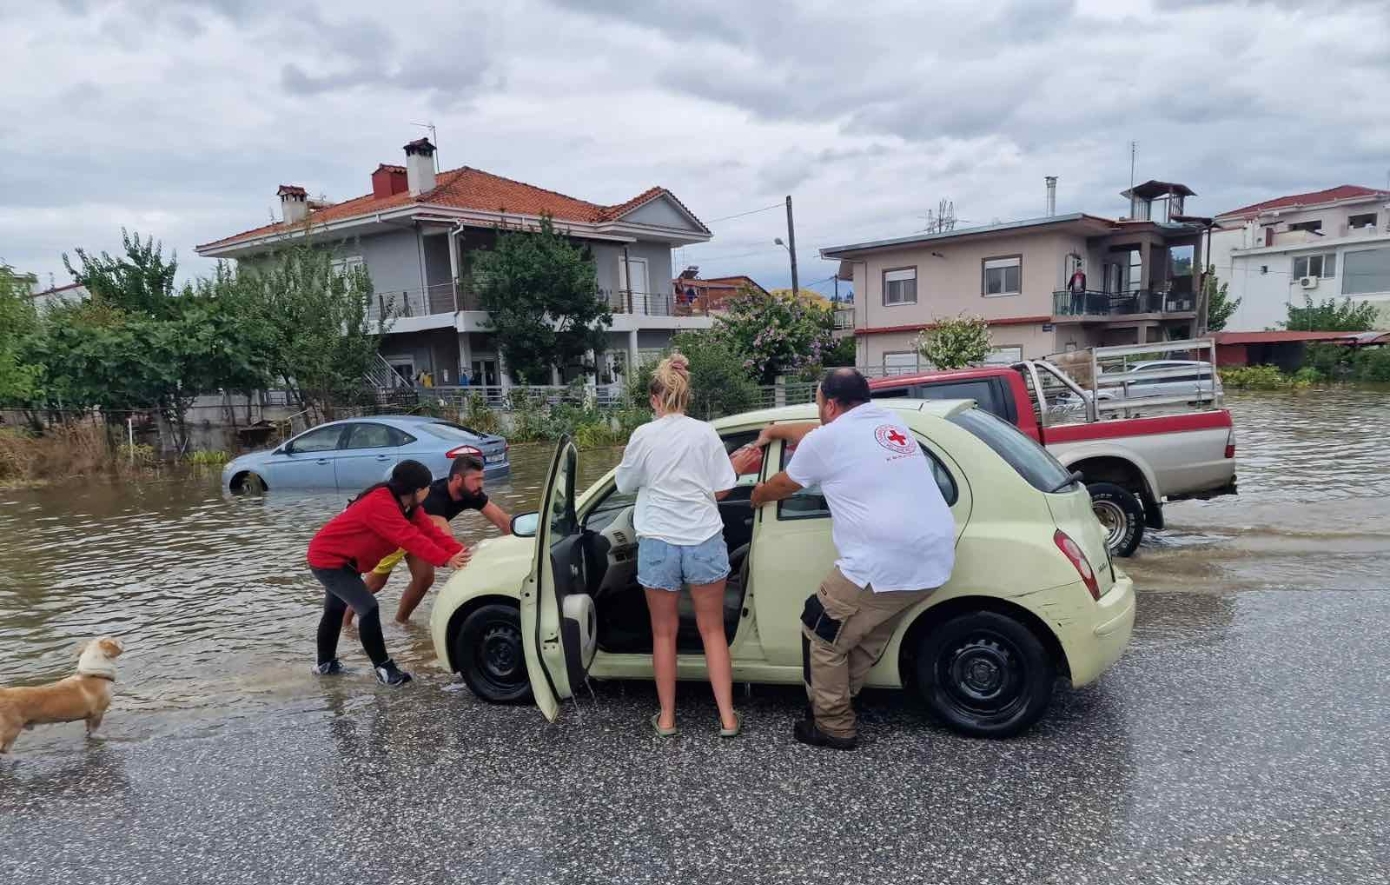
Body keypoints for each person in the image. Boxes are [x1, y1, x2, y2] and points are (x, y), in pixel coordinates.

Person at [750, 368, 955, 750]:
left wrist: (757, 496)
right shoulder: (888, 422)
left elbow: (784, 484)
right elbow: (819, 437)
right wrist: (778, 431)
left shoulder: (830, 439)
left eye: (818, 402)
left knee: (822, 631)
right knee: (861, 634)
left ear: (829, 404)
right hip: (932, 558)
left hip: (882, 560)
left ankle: (832, 725)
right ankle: (841, 698)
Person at [615, 354, 757, 737]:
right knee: (712, 630)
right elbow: (721, 487)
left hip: (658, 541)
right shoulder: (705, 433)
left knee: (664, 632)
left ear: (654, 399)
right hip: (703, 539)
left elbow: (624, 485)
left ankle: (666, 719)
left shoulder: (643, 435)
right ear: (686, 397)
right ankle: (727, 718)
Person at [306, 459, 470, 686]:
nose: (430, 491)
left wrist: (461, 552)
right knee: (368, 607)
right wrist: (446, 560)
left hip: (344, 562)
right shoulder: (380, 503)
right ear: (416, 490)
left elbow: (430, 532)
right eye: (427, 487)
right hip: (328, 559)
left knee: (334, 611)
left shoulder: (409, 507)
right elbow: (409, 538)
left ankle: (324, 666)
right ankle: (384, 670)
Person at [350, 455, 512, 626]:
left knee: (424, 579)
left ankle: (400, 622)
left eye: (482, 479)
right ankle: (345, 624)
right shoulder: (434, 499)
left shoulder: (472, 493)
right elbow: (446, 542)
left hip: (422, 536)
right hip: (398, 536)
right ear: (458, 479)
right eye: (476, 479)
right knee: (376, 582)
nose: (481, 485)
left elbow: (503, 521)